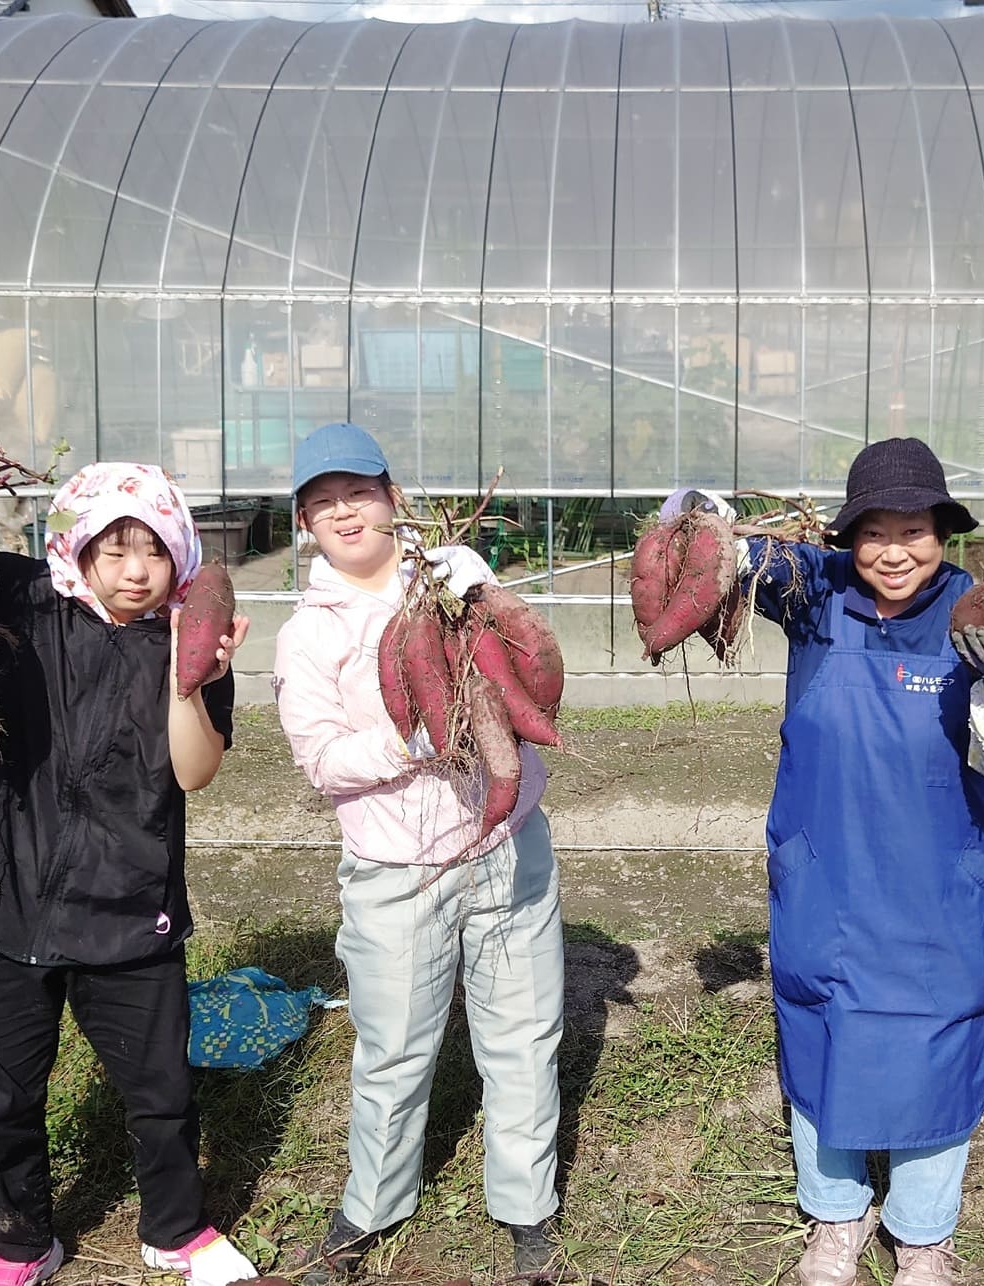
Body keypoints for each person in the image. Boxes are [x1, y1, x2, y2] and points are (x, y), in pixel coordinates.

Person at [664, 436, 984, 1286]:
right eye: (873, 532)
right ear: (846, 536)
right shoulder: (814, 590)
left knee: (938, 1033)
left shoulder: (978, 613)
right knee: (821, 1024)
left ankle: (922, 1231)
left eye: (914, 531)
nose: (893, 552)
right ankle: (834, 1217)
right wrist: (694, 520)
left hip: (933, 876)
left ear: (943, 533)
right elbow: (720, 554)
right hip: (824, 865)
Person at [0, 448, 258, 1286]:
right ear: (79, 548)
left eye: (155, 550)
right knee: (1, 1099)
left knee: (162, 1093)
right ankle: (23, 1242)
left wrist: (192, 678)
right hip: (2, 899)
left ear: (180, 550)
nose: (138, 571)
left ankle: (173, 1230)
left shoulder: (194, 638)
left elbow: (193, 773)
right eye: (116, 549)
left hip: (128, 908)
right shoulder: (21, 599)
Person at [270, 422, 564, 1284]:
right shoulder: (307, 635)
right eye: (322, 504)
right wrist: (415, 737)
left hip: (507, 842)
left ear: (393, 498)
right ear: (304, 525)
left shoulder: (453, 588)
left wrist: (496, 601)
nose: (343, 512)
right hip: (396, 874)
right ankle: (372, 1205)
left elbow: (532, 679)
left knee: (524, 1035)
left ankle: (526, 1207)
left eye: (357, 492)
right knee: (393, 1048)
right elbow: (321, 764)